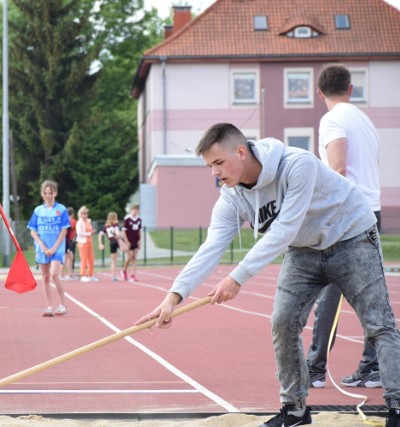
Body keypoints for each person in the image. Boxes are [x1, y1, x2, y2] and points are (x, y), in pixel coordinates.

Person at [135, 123, 400, 427]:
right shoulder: (232, 197)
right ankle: (295, 410)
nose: (214, 173)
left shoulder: (297, 165)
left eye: (219, 163)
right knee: (283, 321)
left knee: (378, 323)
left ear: (241, 151)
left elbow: (284, 229)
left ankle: (397, 407)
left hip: (352, 238)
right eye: (209, 166)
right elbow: (211, 247)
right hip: (303, 250)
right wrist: (173, 297)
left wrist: (237, 277)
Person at [306, 63, 383, 389]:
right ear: (351, 89)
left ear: (319, 92)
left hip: (347, 213)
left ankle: (315, 369)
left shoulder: (332, 119)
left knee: (328, 292)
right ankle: (371, 367)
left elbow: (337, 168)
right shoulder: (366, 122)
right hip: (373, 211)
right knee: (372, 296)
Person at [28, 180, 70, 316]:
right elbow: (33, 230)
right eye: (45, 193)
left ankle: (63, 305)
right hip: (42, 249)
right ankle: (49, 307)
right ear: (42, 194)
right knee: (45, 277)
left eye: (50, 193)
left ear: (55, 193)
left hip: (57, 248)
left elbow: (64, 231)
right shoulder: (38, 211)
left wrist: (53, 248)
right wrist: (42, 245)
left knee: (54, 274)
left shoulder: (62, 210)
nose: (48, 195)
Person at [98, 211, 122, 282]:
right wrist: (118, 235)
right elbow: (117, 232)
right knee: (127, 249)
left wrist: (100, 243)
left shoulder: (106, 227)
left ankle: (113, 276)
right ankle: (122, 271)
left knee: (113, 261)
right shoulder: (115, 224)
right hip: (116, 240)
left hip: (111, 242)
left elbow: (100, 234)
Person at [76, 205, 97, 282]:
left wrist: (91, 233)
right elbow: (79, 233)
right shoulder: (79, 222)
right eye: (83, 213)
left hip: (89, 241)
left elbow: (89, 230)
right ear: (80, 214)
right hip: (82, 242)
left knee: (91, 259)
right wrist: (89, 233)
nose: (85, 215)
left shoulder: (88, 221)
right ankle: (83, 275)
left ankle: (90, 274)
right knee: (84, 259)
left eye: (86, 213)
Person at [121, 204, 141, 282]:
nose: (135, 212)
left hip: (136, 240)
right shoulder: (127, 218)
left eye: (136, 211)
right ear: (131, 210)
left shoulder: (139, 219)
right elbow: (124, 230)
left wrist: (140, 241)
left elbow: (140, 231)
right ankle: (124, 270)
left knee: (134, 258)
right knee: (129, 257)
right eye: (134, 210)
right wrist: (126, 241)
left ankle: (133, 275)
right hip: (129, 241)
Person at [61, 206, 77, 281]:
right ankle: (62, 275)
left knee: (70, 257)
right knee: (66, 258)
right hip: (67, 241)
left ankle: (70, 274)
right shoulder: (70, 221)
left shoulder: (67, 220)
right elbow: (70, 227)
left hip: (68, 241)